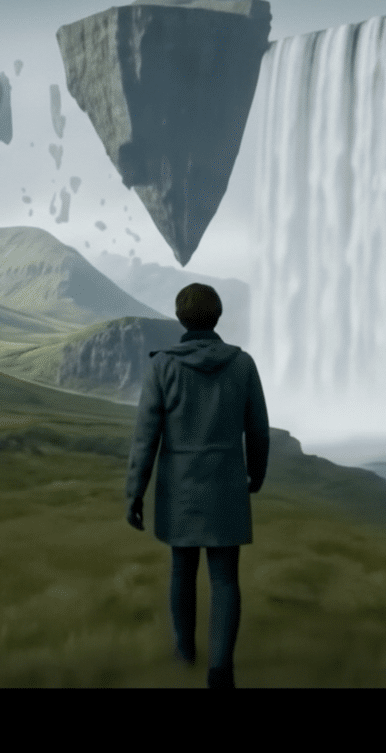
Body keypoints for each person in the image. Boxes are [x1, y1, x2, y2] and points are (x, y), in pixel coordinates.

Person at [125, 283, 270, 690]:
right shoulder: (242, 364)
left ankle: (185, 650)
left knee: (181, 570)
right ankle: (221, 668)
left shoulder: (163, 366)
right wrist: (255, 475)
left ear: (179, 316)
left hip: (180, 487)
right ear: (218, 316)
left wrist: (135, 491)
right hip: (226, 485)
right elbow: (258, 430)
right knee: (225, 577)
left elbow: (145, 437)